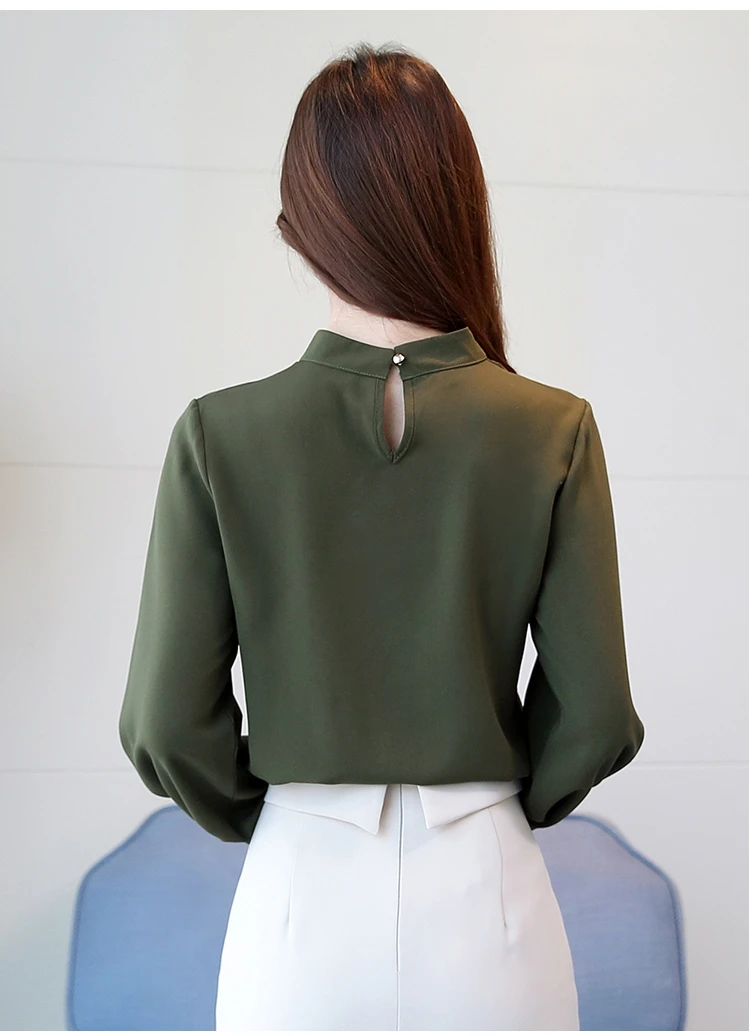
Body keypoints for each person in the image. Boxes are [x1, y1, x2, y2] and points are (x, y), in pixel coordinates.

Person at [118, 41, 645, 1032]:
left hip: (297, 897)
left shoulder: (219, 434)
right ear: (460, 208)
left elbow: (164, 723)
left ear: (299, 223)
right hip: (490, 899)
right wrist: (498, 804)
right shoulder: (555, 428)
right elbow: (598, 713)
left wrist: (282, 809)